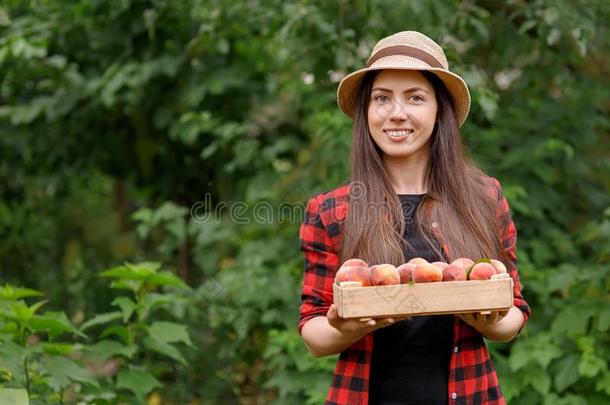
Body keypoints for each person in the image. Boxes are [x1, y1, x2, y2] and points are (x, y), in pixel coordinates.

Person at [297, 31, 531, 405]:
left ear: (440, 110)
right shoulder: (332, 210)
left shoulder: (482, 199)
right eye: (382, 98)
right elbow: (313, 331)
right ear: (367, 112)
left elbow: (514, 312)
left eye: (415, 98)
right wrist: (348, 326)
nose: (397, 113)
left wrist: (486, 319)